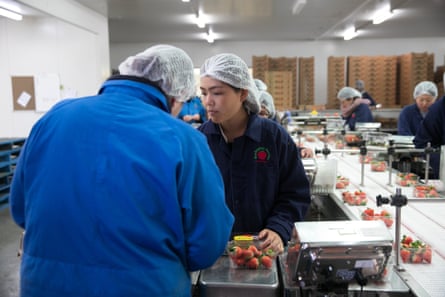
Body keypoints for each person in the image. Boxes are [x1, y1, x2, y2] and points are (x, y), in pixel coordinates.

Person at [9, 45, 234, 297]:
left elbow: (20, 209)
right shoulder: (182, 139)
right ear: (174, 96)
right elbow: (206, 245)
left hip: (44, 285)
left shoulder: (53, 119)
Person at [198, 53, 311, 254]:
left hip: (264, 251)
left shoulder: (274, 138)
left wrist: (279, 227)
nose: (208, 101)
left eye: (217, 93)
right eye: (204, 92)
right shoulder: (199, 141)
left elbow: (295, 193)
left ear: (242, 94)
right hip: (213, 252)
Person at [413, 74, 445, 179]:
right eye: (421, 99)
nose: (424, 103)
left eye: (428, 100)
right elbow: (422, 143)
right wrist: (441, 163)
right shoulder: (438, 110)